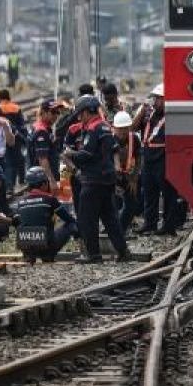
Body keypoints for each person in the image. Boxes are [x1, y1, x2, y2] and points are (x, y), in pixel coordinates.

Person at [62, 95, 133, 263]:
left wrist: (70, 154)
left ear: (87, 111)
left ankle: (93, 255)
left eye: (80, 113)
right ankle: (123, 252)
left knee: (87, 218)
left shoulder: (93, 129)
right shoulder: (106, 127)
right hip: (107, 179)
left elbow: (86, 154)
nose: (79, 117)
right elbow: (112, 150)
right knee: (110, 218)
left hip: (93, 180)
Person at [138, 84, 179, 235]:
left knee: (168, 193)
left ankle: (169, 226)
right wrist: (140, 112)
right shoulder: (149, 114)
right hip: (148, 157)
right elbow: (133, 128)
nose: (155, 102)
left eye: (158, 99)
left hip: (163, 158)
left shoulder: (173, 117)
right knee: (149, 192)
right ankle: (150, 223)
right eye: (154, 99)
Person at [14, 166, 78, 263]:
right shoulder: (49, 199)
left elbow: (19, 223)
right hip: (46, 246)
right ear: (44, 184)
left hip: (25, 246)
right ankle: (49, 255)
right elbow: (68, 218)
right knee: (71, 225)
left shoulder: (20, 202)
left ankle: (28, 255)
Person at [111, 110, 141, 234]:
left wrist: (134, 179)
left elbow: (139, 159)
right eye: (120, 129)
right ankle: (113, 229)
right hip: (113, 178)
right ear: (115, 128)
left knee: (131, 205)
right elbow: (112, 156)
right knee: (113, 205)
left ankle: (121, 228)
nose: (123, 132)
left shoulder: (134, 139)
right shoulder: (109, 139)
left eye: (125, 128)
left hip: (129, 176)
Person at [0, 89, 28, 189]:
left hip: (4, 137)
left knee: (8, 161)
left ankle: (10, 185)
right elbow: (22, 124)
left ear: (0, 97)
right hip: (17, 137)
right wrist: (23, 136)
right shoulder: (16, 107)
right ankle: (20, 180)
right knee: (18, 158)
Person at [30, 99, 65, 185]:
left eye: (58, 112)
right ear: (43, 112)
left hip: (41, 178)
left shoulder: (42, 127)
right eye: (53, 112)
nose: (56, 115)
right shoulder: (41, 131)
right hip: (43, 180)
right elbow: (43, 159)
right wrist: (51, 180)